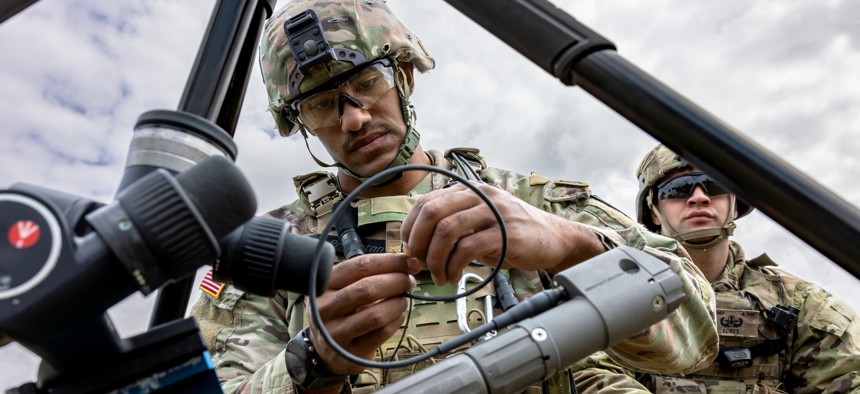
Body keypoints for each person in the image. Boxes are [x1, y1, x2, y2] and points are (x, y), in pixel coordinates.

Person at [190, 2, 720, 393]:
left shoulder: (531, 202)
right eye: (322, 105)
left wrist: (573, 246)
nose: (353, 117)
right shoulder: (270, 252)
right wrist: (312, 361)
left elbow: (696, 338)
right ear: (300, 124)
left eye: (366, 82)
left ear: (404, 77)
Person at [572, 144, 860, 393]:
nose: (699, 197)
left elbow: (846, 379)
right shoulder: (612, 291)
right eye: (679, 189)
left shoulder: (802, 306)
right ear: (654, 212)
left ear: (734, 206)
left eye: (714, 185)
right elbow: (586, 373)